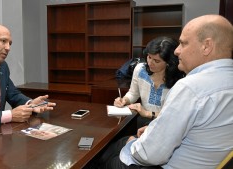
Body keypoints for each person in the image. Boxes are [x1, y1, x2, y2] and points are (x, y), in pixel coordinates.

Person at [97, 14, 233, 169]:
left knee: (105, 158)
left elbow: (150, 154)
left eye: (183, 43)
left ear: (206, 46)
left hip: (164, 161)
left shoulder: (190, 87)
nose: (177, 51)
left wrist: (137, 143)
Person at [114, 36, 185, 129]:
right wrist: (124, 100)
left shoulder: (180, 79)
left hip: (166, 125)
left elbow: (176, 114)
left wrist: (147, 113)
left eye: (156, 61)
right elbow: (133, 93)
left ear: (169, 63)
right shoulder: (140, 69)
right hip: (143, 121)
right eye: (149, 57)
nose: (150, 62)